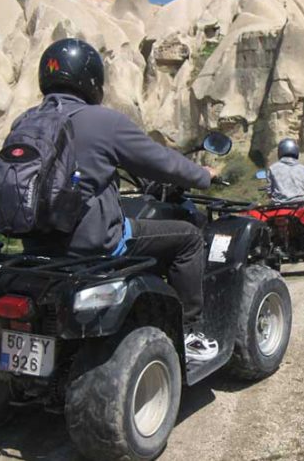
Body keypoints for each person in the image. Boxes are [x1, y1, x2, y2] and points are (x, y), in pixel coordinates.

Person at [21, 38, 218, 361]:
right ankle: (191, 331)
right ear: (91, 80)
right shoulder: (102, 121)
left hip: (34, 246)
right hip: (94, 244)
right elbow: (162, 161)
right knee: (189, 238)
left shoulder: (26, 121)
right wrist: (202, 176)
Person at [266, 138, 304, 203]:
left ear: (280, 151)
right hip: (299, 206)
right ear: (296, 151)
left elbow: (269, 192)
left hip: (278, 208)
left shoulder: (272, 168)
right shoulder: (303, 169)